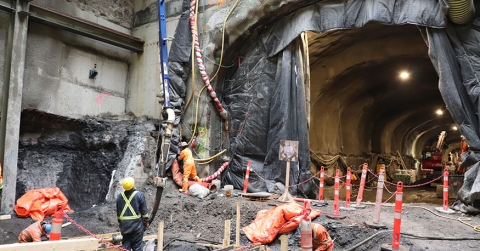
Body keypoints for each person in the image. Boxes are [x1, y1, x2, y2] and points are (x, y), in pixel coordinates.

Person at [116, 177, 150, 251]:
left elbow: (118, 213)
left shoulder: (119, 196)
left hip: (124, 226)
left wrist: (121, 223)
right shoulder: (139, 195)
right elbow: (144, 211)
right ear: (133, 185)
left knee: (126, 246)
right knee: (137, 246)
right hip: (136, 225)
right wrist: (146, 221)